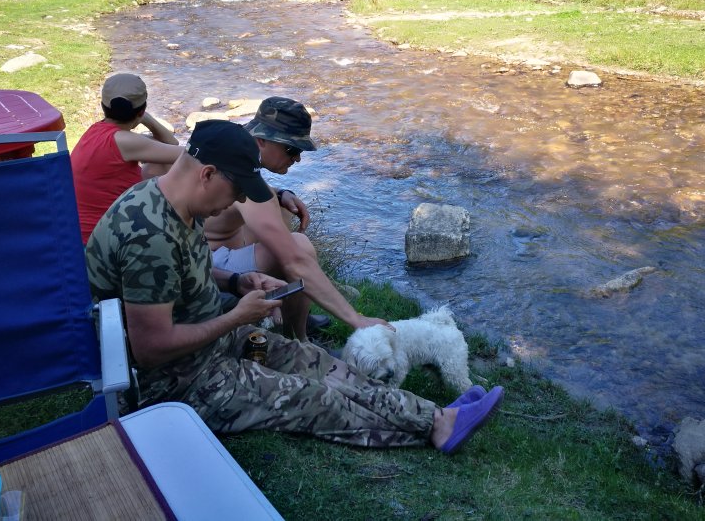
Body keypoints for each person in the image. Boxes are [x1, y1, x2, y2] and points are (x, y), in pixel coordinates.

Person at [85, 119, 503, 450]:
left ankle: (435, 415)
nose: (237, 202)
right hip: (174, 382)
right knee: (313, 398)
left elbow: (180, 273)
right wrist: (236, 318)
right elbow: (151, 347)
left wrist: (236, 280)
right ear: (207, 174)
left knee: (315, 361)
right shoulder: (149, 236)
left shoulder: (172, 200)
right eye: (236, 190)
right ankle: (433, 429)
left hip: (209, 345)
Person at [204, 96, 383, 339]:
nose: (297, 158)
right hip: (210, 276)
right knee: (299, 245)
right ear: (261, 140)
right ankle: (298, 340)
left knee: (282, 210)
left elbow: (247, 194)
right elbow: (294, 259)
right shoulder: (240, 170)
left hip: (206, 257)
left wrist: (280, 194)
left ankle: (296, 311)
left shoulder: (232, 146)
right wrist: (356, 319)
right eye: (292, 149)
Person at [72, 72, 183, 244]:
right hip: (102, 243)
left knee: (159, 164)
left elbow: (171, 144)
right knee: (173, 169)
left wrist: (142, 116)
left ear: (103, 106)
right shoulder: (125, 141)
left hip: (83, 235)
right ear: (141, 111)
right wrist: (147, 118)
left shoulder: (98, 130)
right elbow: (185, 154)